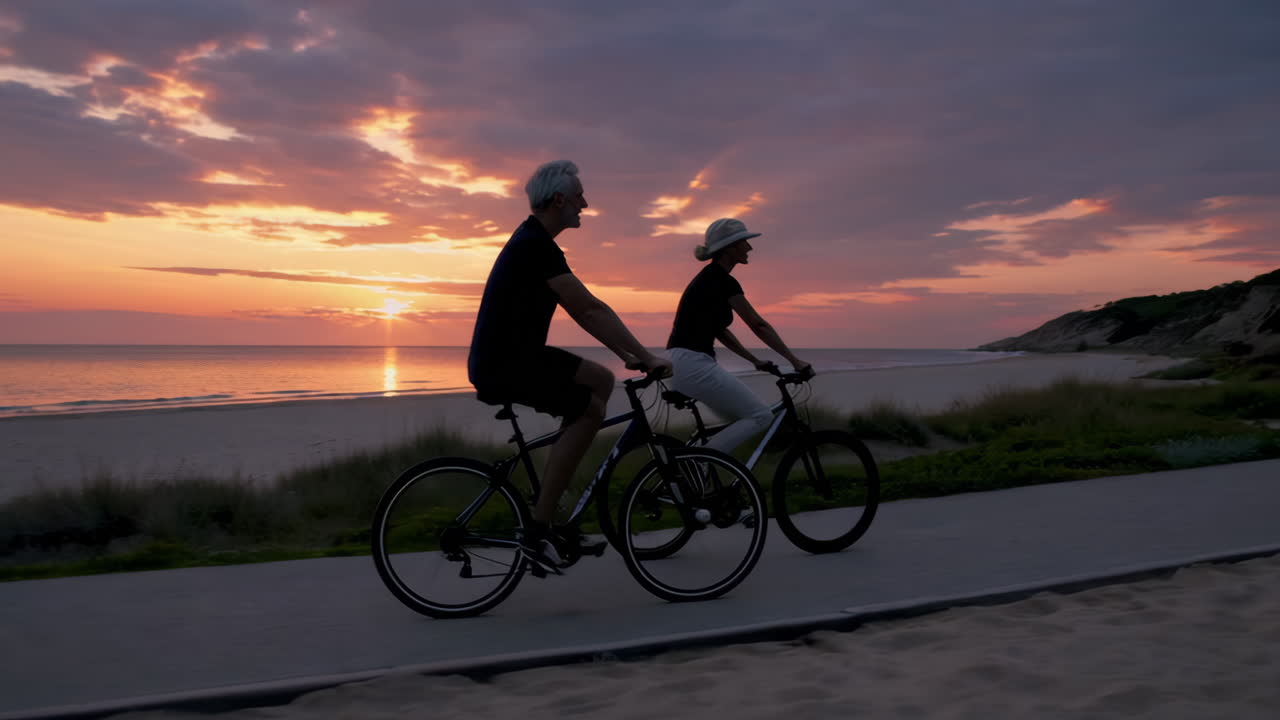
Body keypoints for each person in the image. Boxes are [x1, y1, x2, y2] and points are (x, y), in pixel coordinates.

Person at [468, 160, 672, 574]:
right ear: (558, 199)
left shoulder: (536, 242)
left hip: (517, 354)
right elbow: (588, 308)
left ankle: (551, 503)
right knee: (589, 409)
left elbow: (586, 312)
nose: (585, 203)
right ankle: (538, 530)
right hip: (504, 363)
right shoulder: (534, 246)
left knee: (601, 379)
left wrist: (627, 352)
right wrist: (645, 355)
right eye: (579, 195)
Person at [665, 218, 812, 457]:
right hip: (693, 365)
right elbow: (758, 325)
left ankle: (697, 475)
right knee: (760, 416)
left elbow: (720, 331)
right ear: (730, 247)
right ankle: (697, 463)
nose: (749, 247)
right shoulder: (722, 281)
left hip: (683, 362)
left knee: (741, 420)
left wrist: (754, 360)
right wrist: (795, 361)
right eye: (744, 242)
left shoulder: (709, 278)